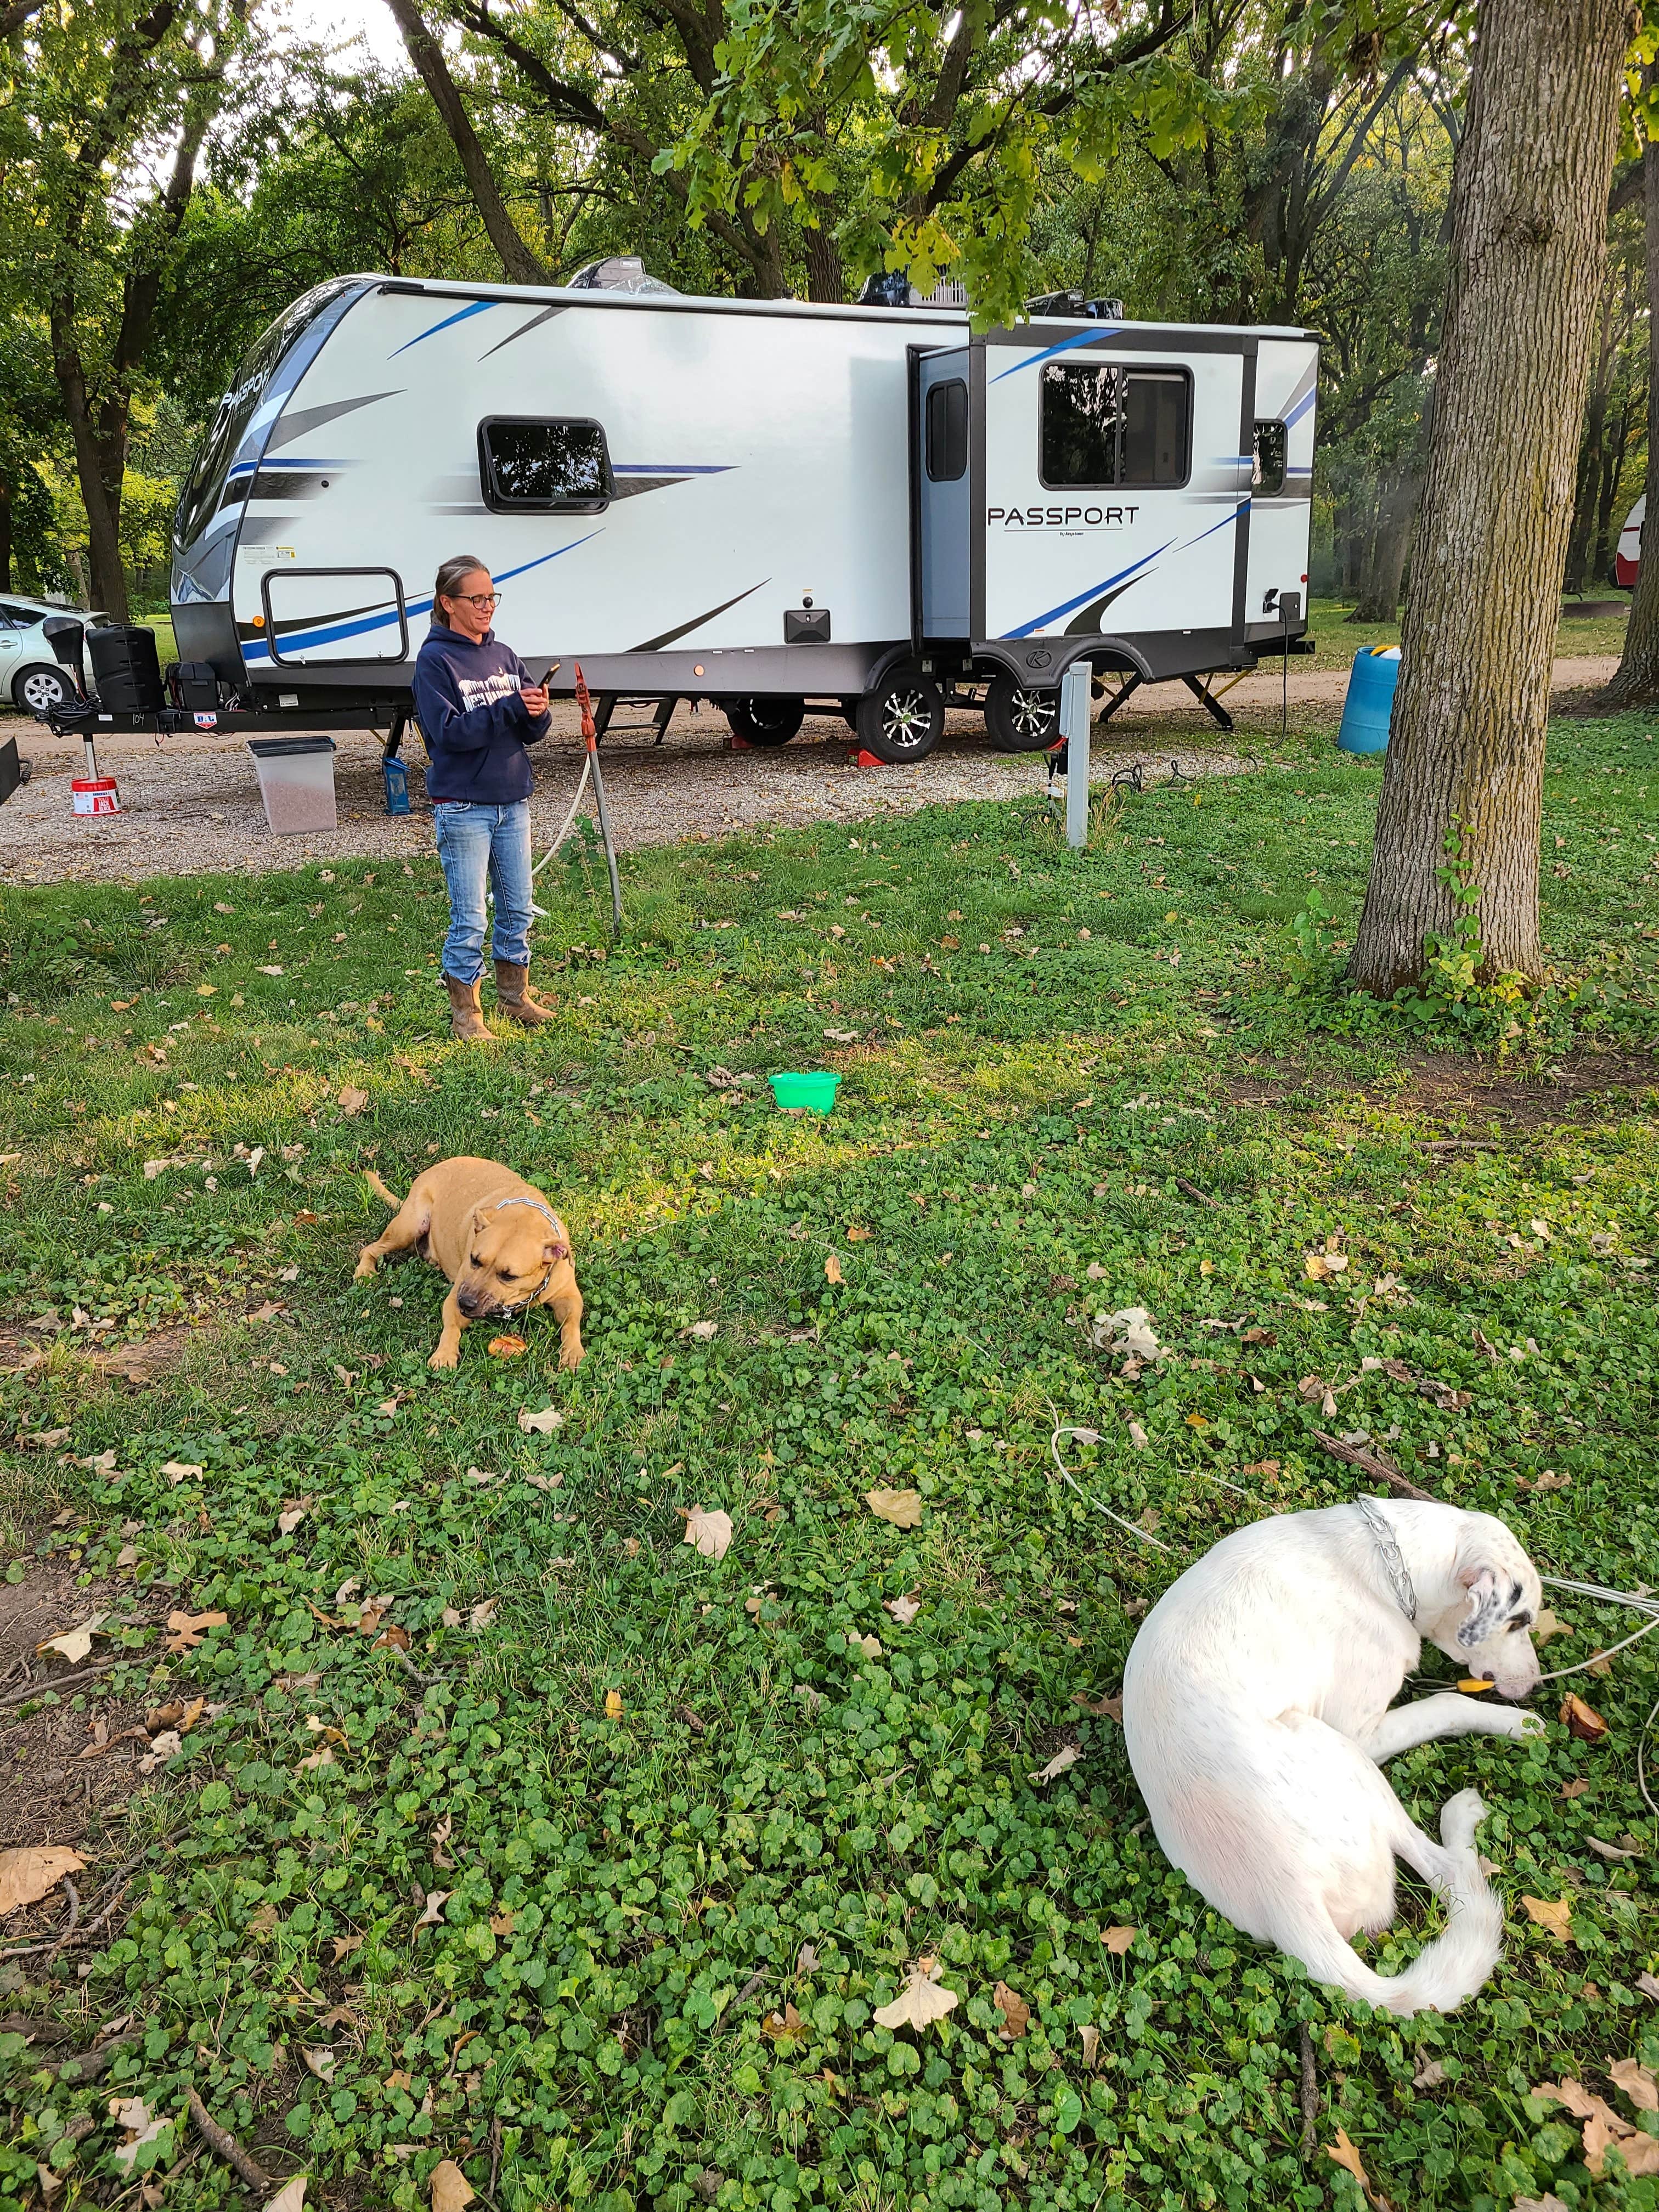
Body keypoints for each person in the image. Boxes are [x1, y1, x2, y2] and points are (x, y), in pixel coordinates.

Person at [412, 555, 554, 1039]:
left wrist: (535, 712)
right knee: (470, 917)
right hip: (464, 807)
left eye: (492, 596)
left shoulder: (505, 655)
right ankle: (467, 1017)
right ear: (447, 603)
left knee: (517, 908)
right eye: (476, 598)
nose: (487, 606)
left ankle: (515, 998)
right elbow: (449, 733)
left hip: (513, 800)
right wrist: (509, 706)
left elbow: (531, 730)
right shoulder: (435, 661)